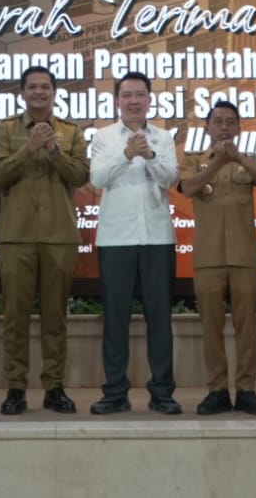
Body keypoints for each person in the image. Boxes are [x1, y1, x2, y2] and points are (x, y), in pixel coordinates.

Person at [0, 66, 89, 416]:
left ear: (54, 92)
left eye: (45, 87)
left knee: (55, 317)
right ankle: (16, 388)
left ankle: (54, 387)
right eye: (32, 87)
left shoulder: (71, 131)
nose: (39, 93)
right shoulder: (6, 129)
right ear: (22, 93)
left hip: (59, 236)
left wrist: (54, 151)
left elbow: (81, 175)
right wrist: (29, 149)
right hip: (17, 236)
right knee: (15, 317)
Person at [88, 71, 182, 415]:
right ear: (117, 101)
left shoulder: (164, 137)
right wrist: (126, 154)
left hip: (157, 237)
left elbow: (171, 178)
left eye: (140, 95)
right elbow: (97, 178)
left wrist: (151, 156)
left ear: (149, 100)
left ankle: (162, 393)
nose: (133, 101)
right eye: (127, 95)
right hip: (116, 239)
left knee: (160, 317)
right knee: (115, 319)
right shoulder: (103, 137)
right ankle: (115, 392)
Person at [178, 100, 256, 416]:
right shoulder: (194, 161)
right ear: (207, 127)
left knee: (247, 327)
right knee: (212, 326)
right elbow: (188, 188)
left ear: (239, 128)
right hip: (208, 256)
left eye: (230, 122)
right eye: (218, 121)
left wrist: (238, 157)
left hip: (245, 256)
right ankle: (217, 390)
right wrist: (218, 162)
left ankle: (246, 390)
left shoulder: (249, 160)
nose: (224, 127)